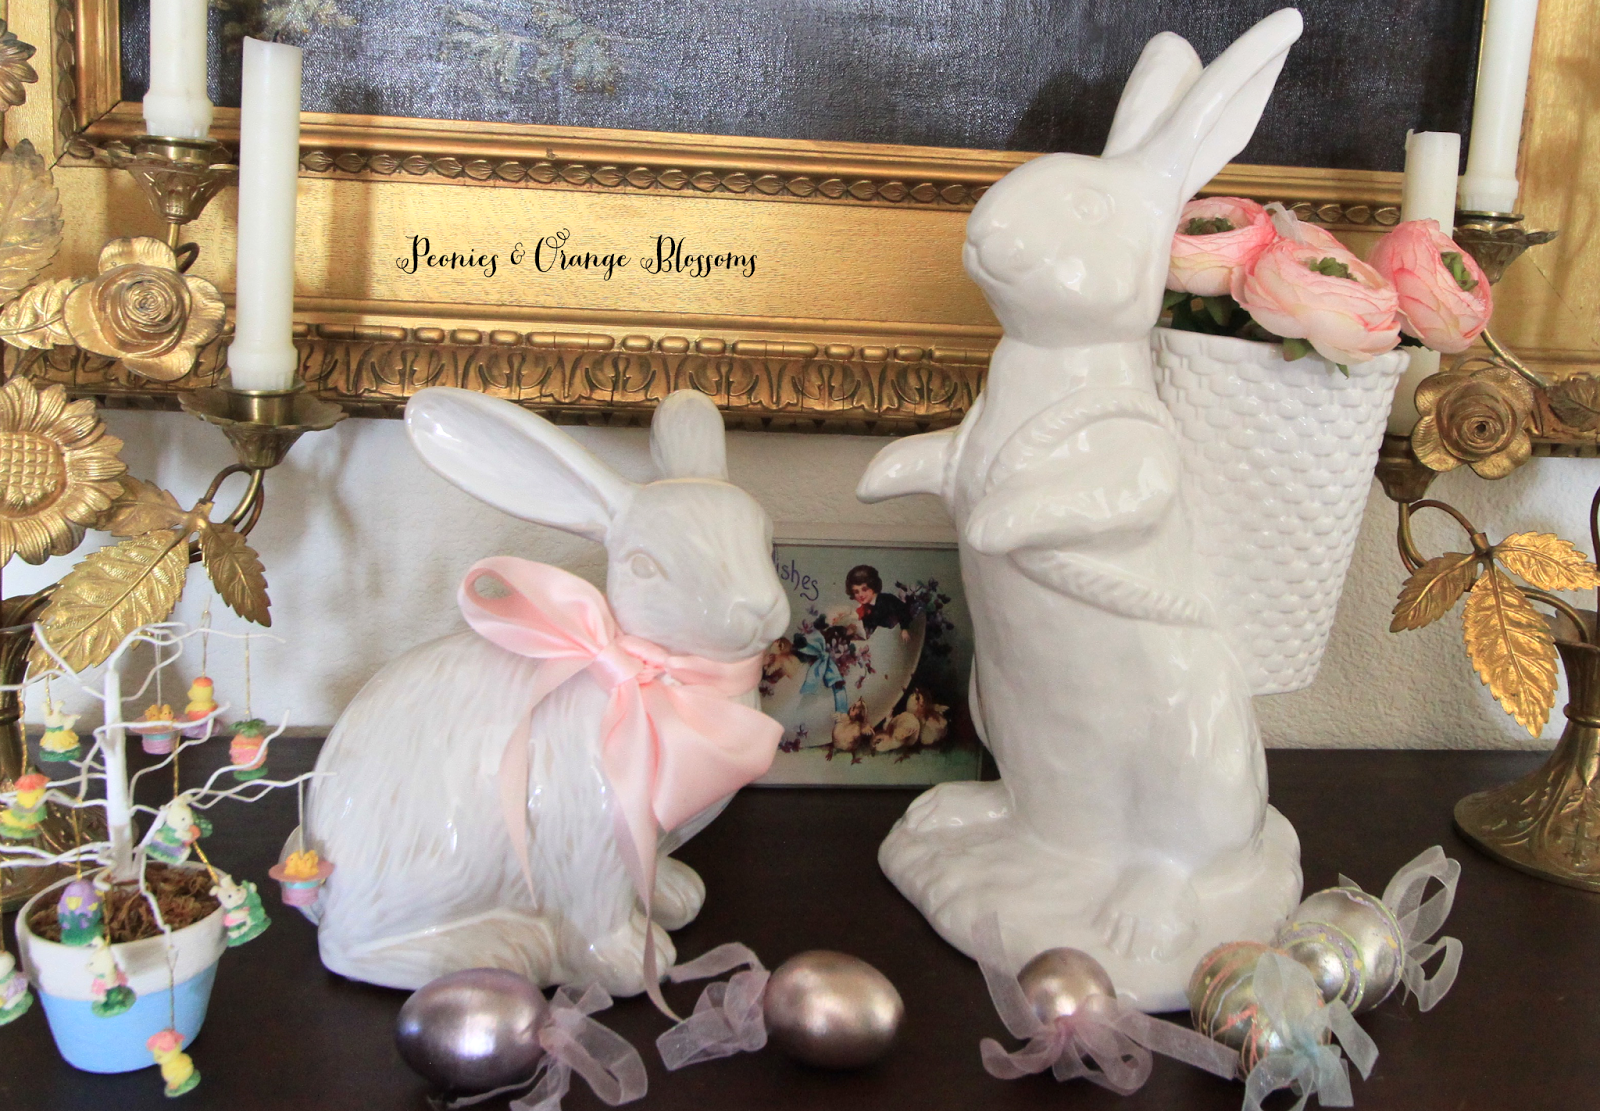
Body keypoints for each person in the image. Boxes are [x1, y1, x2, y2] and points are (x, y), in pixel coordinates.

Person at [846, 565, 910, 639]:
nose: (861, 595)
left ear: (873, 586)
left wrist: (904, 629)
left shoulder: (887, 600)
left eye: (864, 589)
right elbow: (870, 632)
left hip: (900, 637)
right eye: (856, 592)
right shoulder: (866, 610)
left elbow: (903, 612)